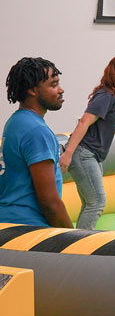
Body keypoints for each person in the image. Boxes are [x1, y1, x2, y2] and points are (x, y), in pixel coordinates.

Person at [59, 56, 115, 230]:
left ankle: (79, 239)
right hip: (84, 152)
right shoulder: (107, 96)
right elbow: (83, 122)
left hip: (93, 155)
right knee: (97, 202)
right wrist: (68, 153)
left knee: (90, 203)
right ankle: (81, 245)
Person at [0, 58, 72, 228]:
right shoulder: (36, 131)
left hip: (8, 224)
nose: (61, 90)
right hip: (28, 228)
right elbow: (49, 203)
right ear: (33, 90)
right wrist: (73, 239)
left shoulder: (15, 122)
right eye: (53, 85)